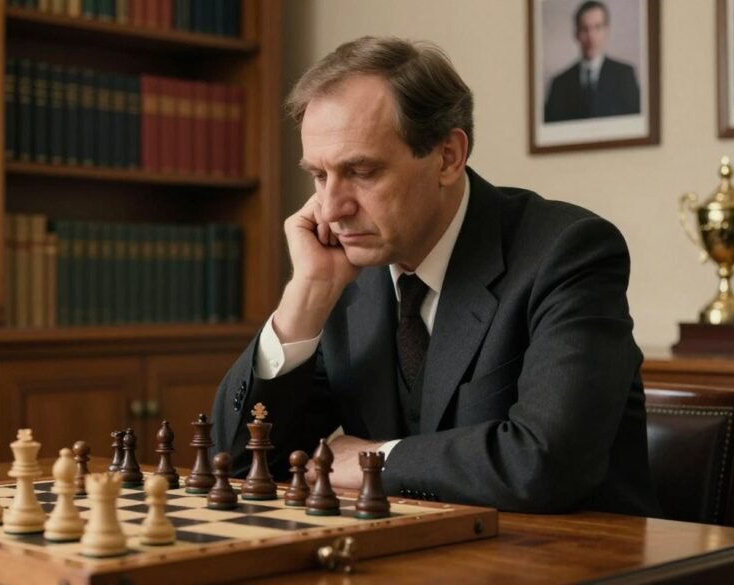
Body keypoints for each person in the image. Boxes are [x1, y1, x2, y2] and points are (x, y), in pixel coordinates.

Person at [211, 36, 660, 516]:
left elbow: (545, 465)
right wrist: (306, 297)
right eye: (319, 176)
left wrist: (375, 460)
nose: (331, 208)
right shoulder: (344, 272)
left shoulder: (569, 252)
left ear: (448, 156)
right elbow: (239, 461)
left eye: (361, 171)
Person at [544, 1, 641, 123]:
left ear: (606, 31)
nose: (591, 36)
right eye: (585, 29)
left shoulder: (625, 76)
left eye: (597, 27)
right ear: (576, 34)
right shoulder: (559, 84)